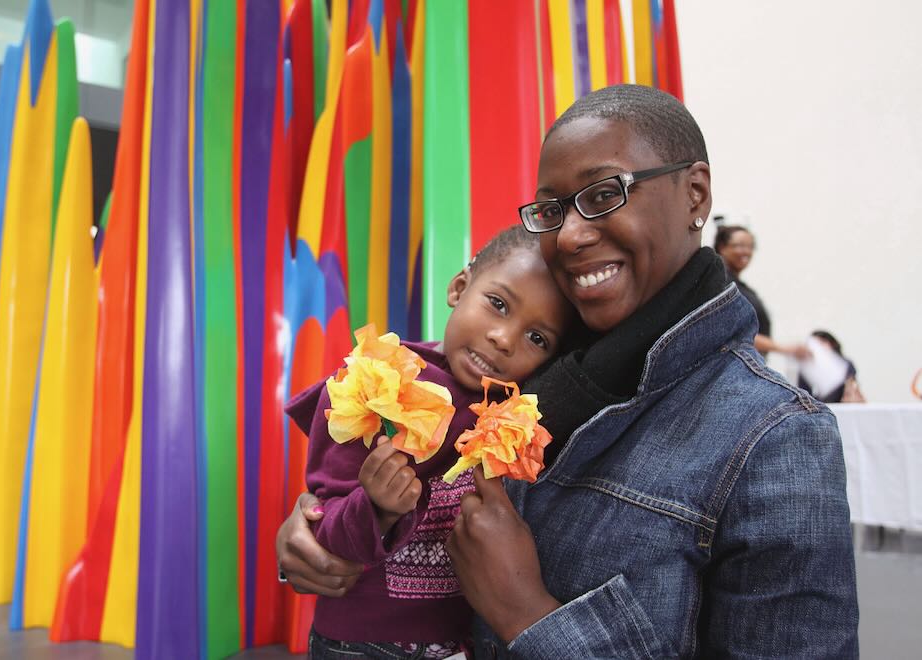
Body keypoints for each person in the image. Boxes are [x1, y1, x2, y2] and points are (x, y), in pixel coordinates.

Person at [277, 84, 859, 658]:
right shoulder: (520, 376)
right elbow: (391, 487)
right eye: (553, 210)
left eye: (605, 193)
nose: (572, 235)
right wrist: (319, 530)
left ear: (695, 194)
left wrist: (525, 614)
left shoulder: (774, 436)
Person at [285, 225, 575, 659]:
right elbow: (321, 540)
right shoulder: (373, 386)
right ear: (459, 287)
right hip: (360, 644)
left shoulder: (520, 419)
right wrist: (378, 507)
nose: (503, 338)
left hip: (463, 643)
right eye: (498, 304)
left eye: (537, 338)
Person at [713, 225, 811, 361]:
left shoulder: (738, 285)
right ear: (722, 247)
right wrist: (784, 348)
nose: (746, 251)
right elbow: (732, 329)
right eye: (740, 246)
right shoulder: (722, 283)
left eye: (750, 246)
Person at [798, 329, 866, 403]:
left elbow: (851, 388)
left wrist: (851, 394)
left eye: (821, 343)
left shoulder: (844, 365)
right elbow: (803, 394)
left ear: (832, 344)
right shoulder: (805, 369)